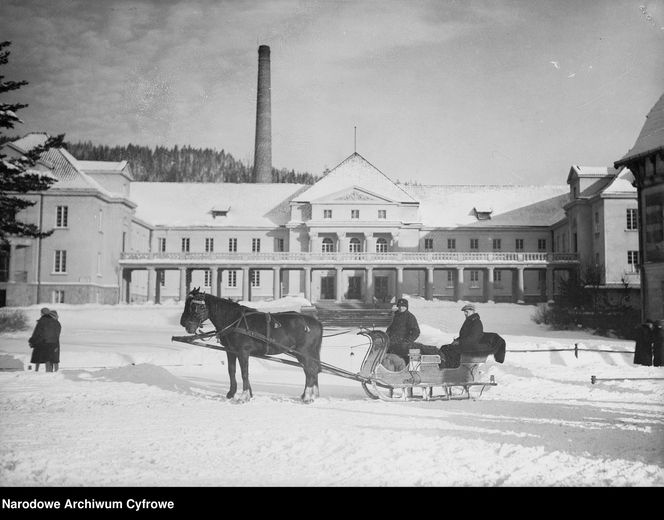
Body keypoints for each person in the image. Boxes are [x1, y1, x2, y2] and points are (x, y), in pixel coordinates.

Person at [439, 303, 484, 368]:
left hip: (470, 347)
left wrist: (459, 342)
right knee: (445, 348)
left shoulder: (476, 323)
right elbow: (464, 335)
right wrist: (457, 340)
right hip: (466, 345)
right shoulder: (470, 321)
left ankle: (451, 369)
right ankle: (449, 367)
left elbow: (473, 338)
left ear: (472, 311)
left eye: (466, 312)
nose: (465, 314)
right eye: (464, 312)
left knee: (448, 349)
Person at [385, 298, 421, 367]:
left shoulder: (410, 317)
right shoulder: (395, 316)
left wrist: (407, 341)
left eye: (403, 306)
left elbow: (416, 331)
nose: (401, 308)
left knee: (413, 353)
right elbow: (390, 329)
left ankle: (413, 371)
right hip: (392, 343)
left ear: (407, 307)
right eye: (400, 306)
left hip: (403, 344)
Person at [29, 307, 61, 372]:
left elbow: (37, 332)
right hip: (55, 342)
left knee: (43, 357)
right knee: (52, 358)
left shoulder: (42, 321)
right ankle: (52, 372)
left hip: (44, 342)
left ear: (42, 313)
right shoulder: (56, 322)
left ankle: (38, 371)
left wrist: (32, 341)